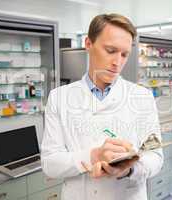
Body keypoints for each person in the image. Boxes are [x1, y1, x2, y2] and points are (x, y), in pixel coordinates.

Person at [41, 13, 163, 200]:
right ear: (88, 44)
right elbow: (50, 163)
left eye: (124, 54)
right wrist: (94, 156)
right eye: (110, 50)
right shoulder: (59, 98)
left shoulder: (143, 97)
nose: (117, 62)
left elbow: (155, 156)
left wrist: (127, 170)